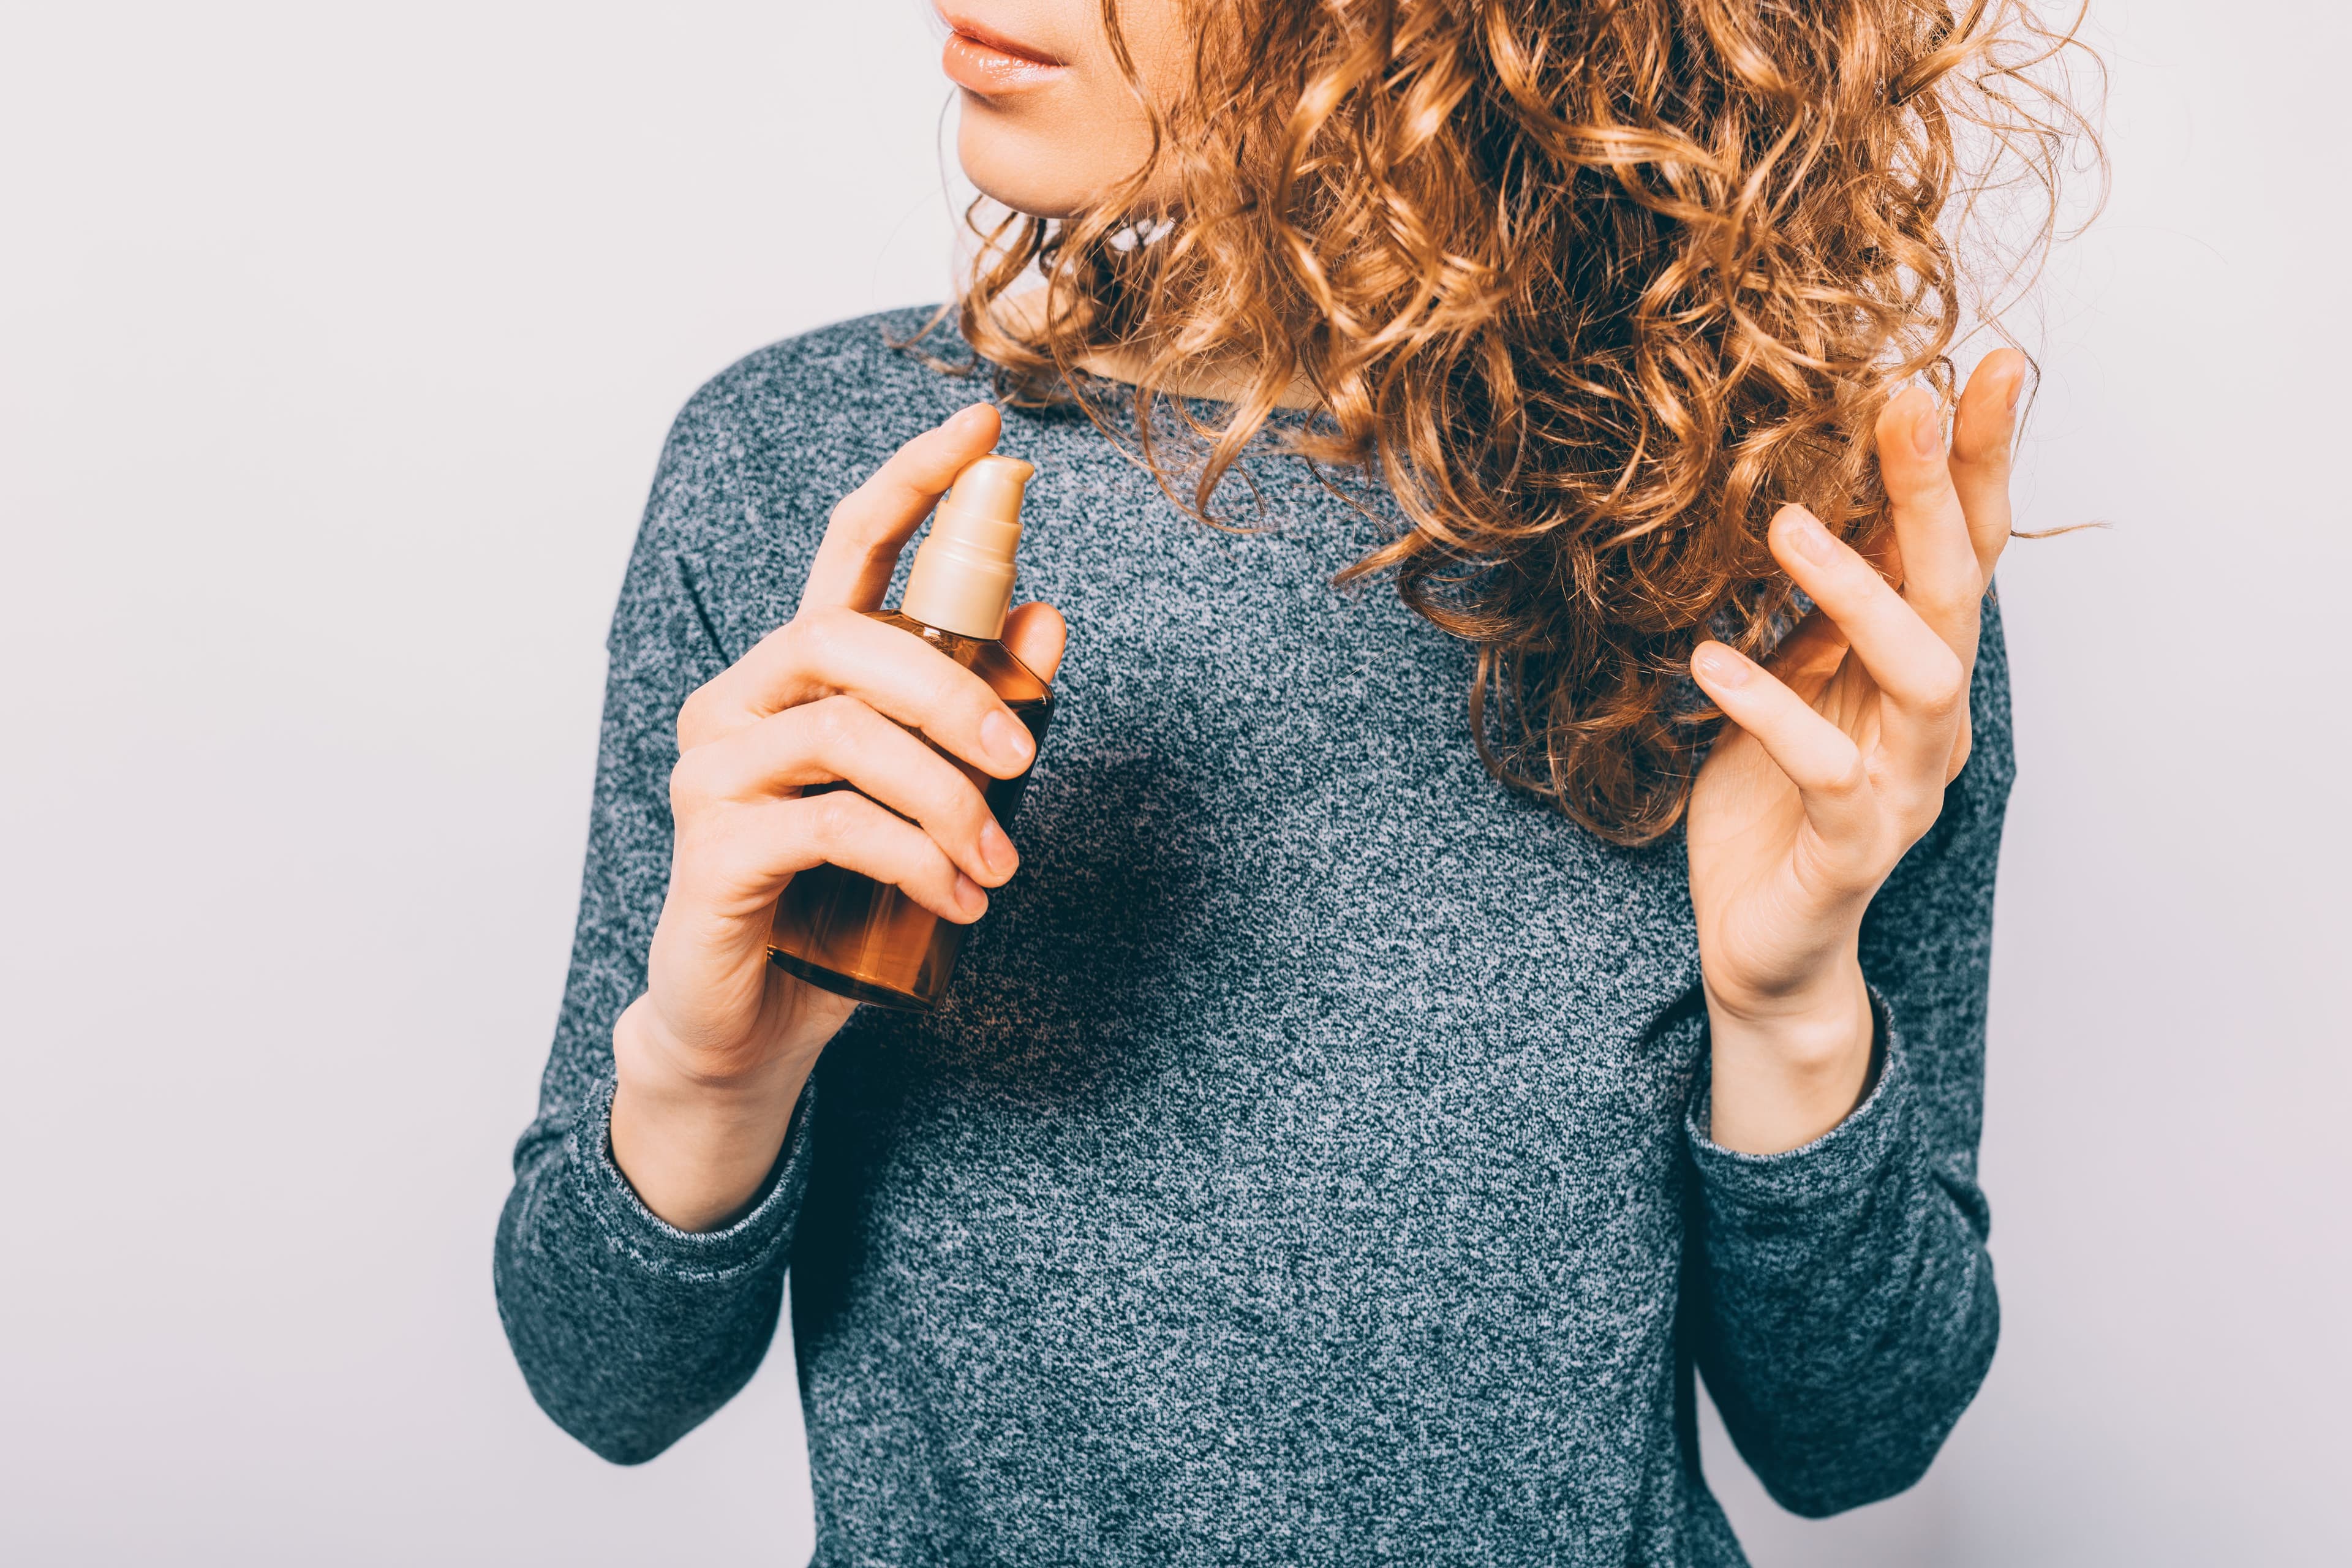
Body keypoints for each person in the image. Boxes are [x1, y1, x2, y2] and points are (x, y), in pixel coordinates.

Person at [495, 2, 2086, 1561]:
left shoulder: (1784, 548)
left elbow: (1856, 1440)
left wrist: (1793, 1016)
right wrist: (710, 1083)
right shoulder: (794, 474)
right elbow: (605, 1375)